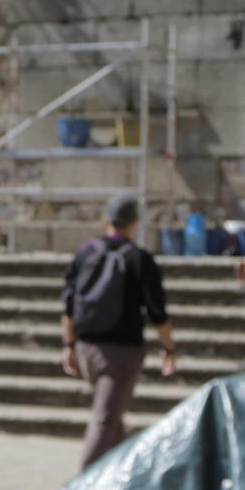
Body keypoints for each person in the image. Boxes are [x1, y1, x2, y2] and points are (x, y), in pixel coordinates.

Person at [60, 194, 176, 471]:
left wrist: (69, 345)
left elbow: (68, 304)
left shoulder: (86, 252)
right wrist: (169, 348)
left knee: (112, 416)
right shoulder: (139, 259)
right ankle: (80, 489)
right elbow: (157, 311)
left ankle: (127, 476)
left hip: (86, 347)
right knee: (105, 419)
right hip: (121, 351)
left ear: (106, 220)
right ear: (135, 222)